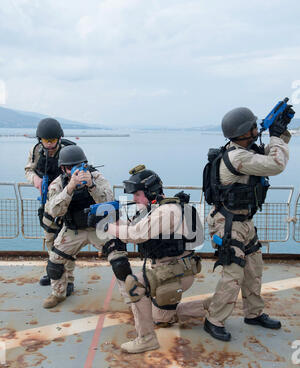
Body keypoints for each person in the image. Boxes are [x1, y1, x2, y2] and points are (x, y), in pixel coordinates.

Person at [203, 105, 294, 341]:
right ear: (243, 132)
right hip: (228, 223)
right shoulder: (238, 157)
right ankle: (213, 320)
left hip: (243, 220)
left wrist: (281, 132)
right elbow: (276, 164)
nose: (256, 129)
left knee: (254, 269)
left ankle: (253, 313)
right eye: (253, 126)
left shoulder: (246, 150)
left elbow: (270, 153)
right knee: (233, 273)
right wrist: (275, 135)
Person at [106, 165, 204, 353]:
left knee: (134, 285)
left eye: (137, 194)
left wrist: (108, 228)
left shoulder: (166, 211)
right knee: (160, 317)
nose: (134, 199)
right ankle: (210, 307)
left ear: (150, 192)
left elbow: (135, 234)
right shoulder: (155, 208)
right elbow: (135, 226)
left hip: (177, 272)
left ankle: (146, 339)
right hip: (171, 270)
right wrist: (113, 222)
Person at [42, 145, 130, 309]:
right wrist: (70, 188)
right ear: (63, 169)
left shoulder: (96, 177)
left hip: (99, 228)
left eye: (79, 165)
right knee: (54, 262)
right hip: (73, 229)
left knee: (120, 262)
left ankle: (132, 300)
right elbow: (53, 210)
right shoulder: (58, 184)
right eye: (70, 168)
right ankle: (58, 294)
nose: (76, 170)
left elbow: (108, 201)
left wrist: (91, 186)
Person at [25, 117, 76, 294]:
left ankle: (69, 279)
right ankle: (54, 273)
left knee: (66, 243)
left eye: (52, 141)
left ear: (59, 139)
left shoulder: (69, 151)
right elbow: (28, 169)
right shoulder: (37, 150)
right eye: (46, 141)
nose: (49, 145)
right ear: (41, 140)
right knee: (50, 239)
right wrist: (36, 180)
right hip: (47, 203)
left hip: (65, 202)